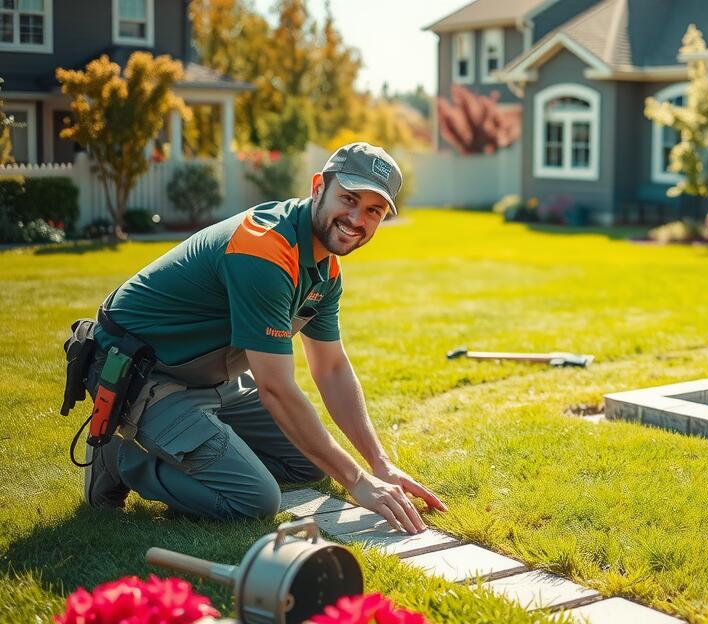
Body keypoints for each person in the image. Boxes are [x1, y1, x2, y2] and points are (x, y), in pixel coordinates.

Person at [78, 142, 443, 534]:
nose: (357, 218)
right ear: (318, 186)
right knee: (254, 499)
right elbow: (276, 389)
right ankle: (121, 457)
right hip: (141, 372)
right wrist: (355, 481)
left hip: (209, 377)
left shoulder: (326, 269)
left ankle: (202, 448)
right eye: (349, 199)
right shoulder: (263, 249)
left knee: (308, 462)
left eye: (373, 210)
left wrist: (379, 463)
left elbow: (332, 368)